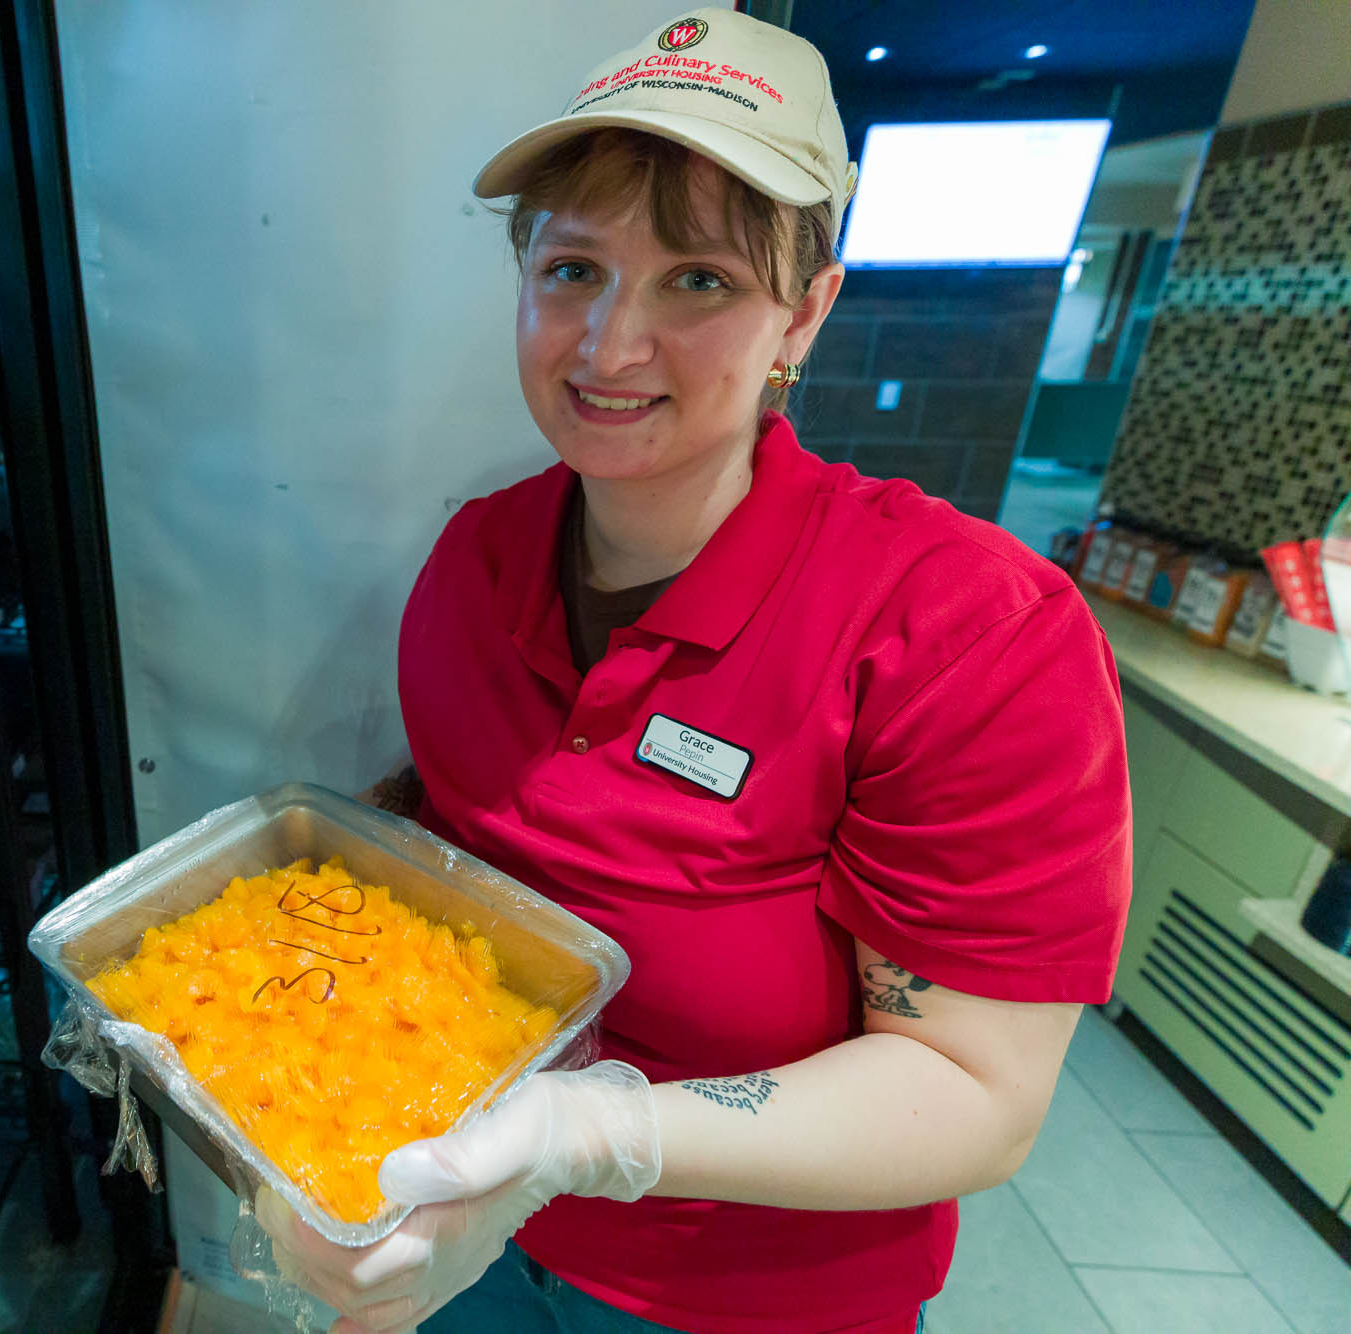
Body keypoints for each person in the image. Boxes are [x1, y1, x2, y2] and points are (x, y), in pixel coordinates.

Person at [258, 10, 1132, 1334]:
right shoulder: (476, 565)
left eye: (700, 281)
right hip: (462, 1227)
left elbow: (971, 1087)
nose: (609, 345)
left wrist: (590, 1131)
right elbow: (457, 868)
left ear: (807, 314)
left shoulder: (966, 634)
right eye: (572, 270)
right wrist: (305, 1122)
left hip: (751, 1295)